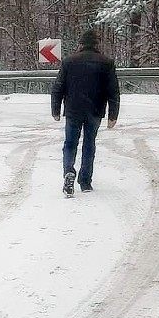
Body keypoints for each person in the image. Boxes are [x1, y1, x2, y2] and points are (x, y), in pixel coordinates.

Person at [51, 29, 120, 197]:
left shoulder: (69, 61)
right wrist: (113, 115)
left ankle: (69, 170)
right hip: (95, 110)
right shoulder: (106, 62)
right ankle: (85, 181)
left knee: (70, 144)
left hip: (73, 109)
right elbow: (113, 91)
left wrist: (56, 110)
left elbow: (58, 87)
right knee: (89, 144)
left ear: (80, 44)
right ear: (97, 44)